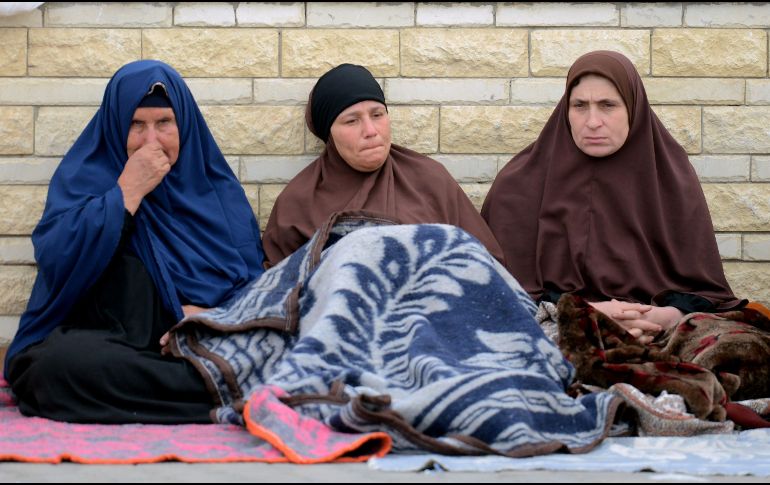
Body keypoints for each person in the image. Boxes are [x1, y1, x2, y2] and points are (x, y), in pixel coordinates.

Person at [4, 60, 266, 423]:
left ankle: (205, 390)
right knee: (51, 368)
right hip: (107, 345)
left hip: (191, 348)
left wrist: (205, 319)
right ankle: (219, 396)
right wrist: (125, 194)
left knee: (257, 357)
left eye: (164, 123)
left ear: (184, 125)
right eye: (136, 125)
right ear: (116, 127)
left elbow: (255, 292)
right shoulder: (85, 180)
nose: (151, 141)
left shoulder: (218, 193)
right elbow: (56, 261)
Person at [481, 50, 744, 343]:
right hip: (554, 331)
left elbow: (706, 292)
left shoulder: (671, 179)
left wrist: (664, 317)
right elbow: (495, 297)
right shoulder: (518, 186)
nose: (592, 121)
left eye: (607, 105)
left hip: (658, 331)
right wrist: (586, 314)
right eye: (580, 105)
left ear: (633, 108)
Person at [261, 63, 504, 268]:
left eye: (377, 115)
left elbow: (486, 263)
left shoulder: (430, 179)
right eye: (351, 120)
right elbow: (278, 288)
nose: (370, 131)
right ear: (329, 135)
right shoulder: (297, 203)